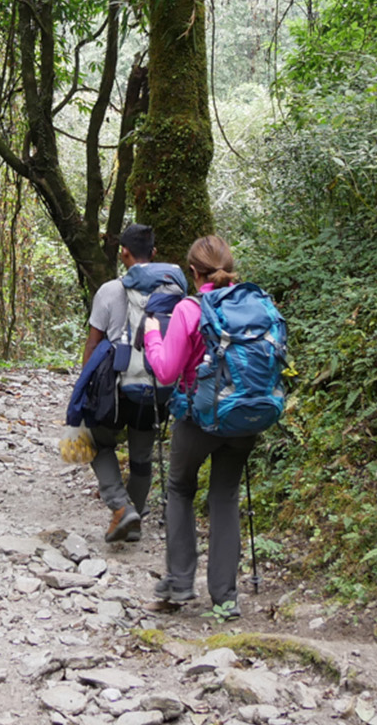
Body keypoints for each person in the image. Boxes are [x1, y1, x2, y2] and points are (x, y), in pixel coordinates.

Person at [142, 234, 256, 617]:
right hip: (244, 415)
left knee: (179, 488)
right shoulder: (251, 302)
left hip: (199, 418)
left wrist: (153, 337)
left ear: (193, 271)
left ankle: (178, 584)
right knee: (224, 497)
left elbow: (167, 370)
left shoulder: (191, 309)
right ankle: (225, 598)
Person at [80, 223, 180, 543]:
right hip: (158, 384)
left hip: (116, 386)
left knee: (94, 442)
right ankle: (132, 515)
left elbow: (94, 343)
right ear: (154, 253)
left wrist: (84, 388)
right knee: (141, 457)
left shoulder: (110, 290)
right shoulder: (173, 290)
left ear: (123, 252)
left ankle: (122, 509)